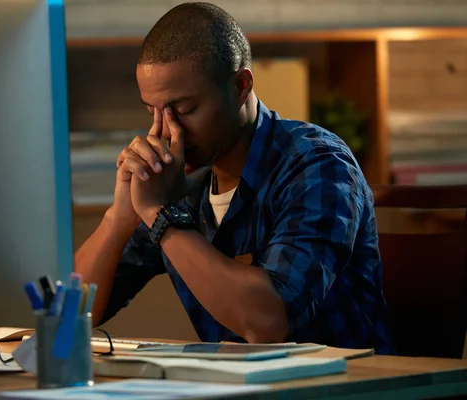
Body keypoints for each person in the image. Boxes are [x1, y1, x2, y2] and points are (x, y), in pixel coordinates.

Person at [75, 2, 395, 354]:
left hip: (342, 386)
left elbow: (267, 323)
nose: (166, 131)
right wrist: (121, 216)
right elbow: (73, 315)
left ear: (241, 85)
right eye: (152, 110)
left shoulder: (317, 164)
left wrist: (160, 216)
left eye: (184, 109)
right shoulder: (179, 182)